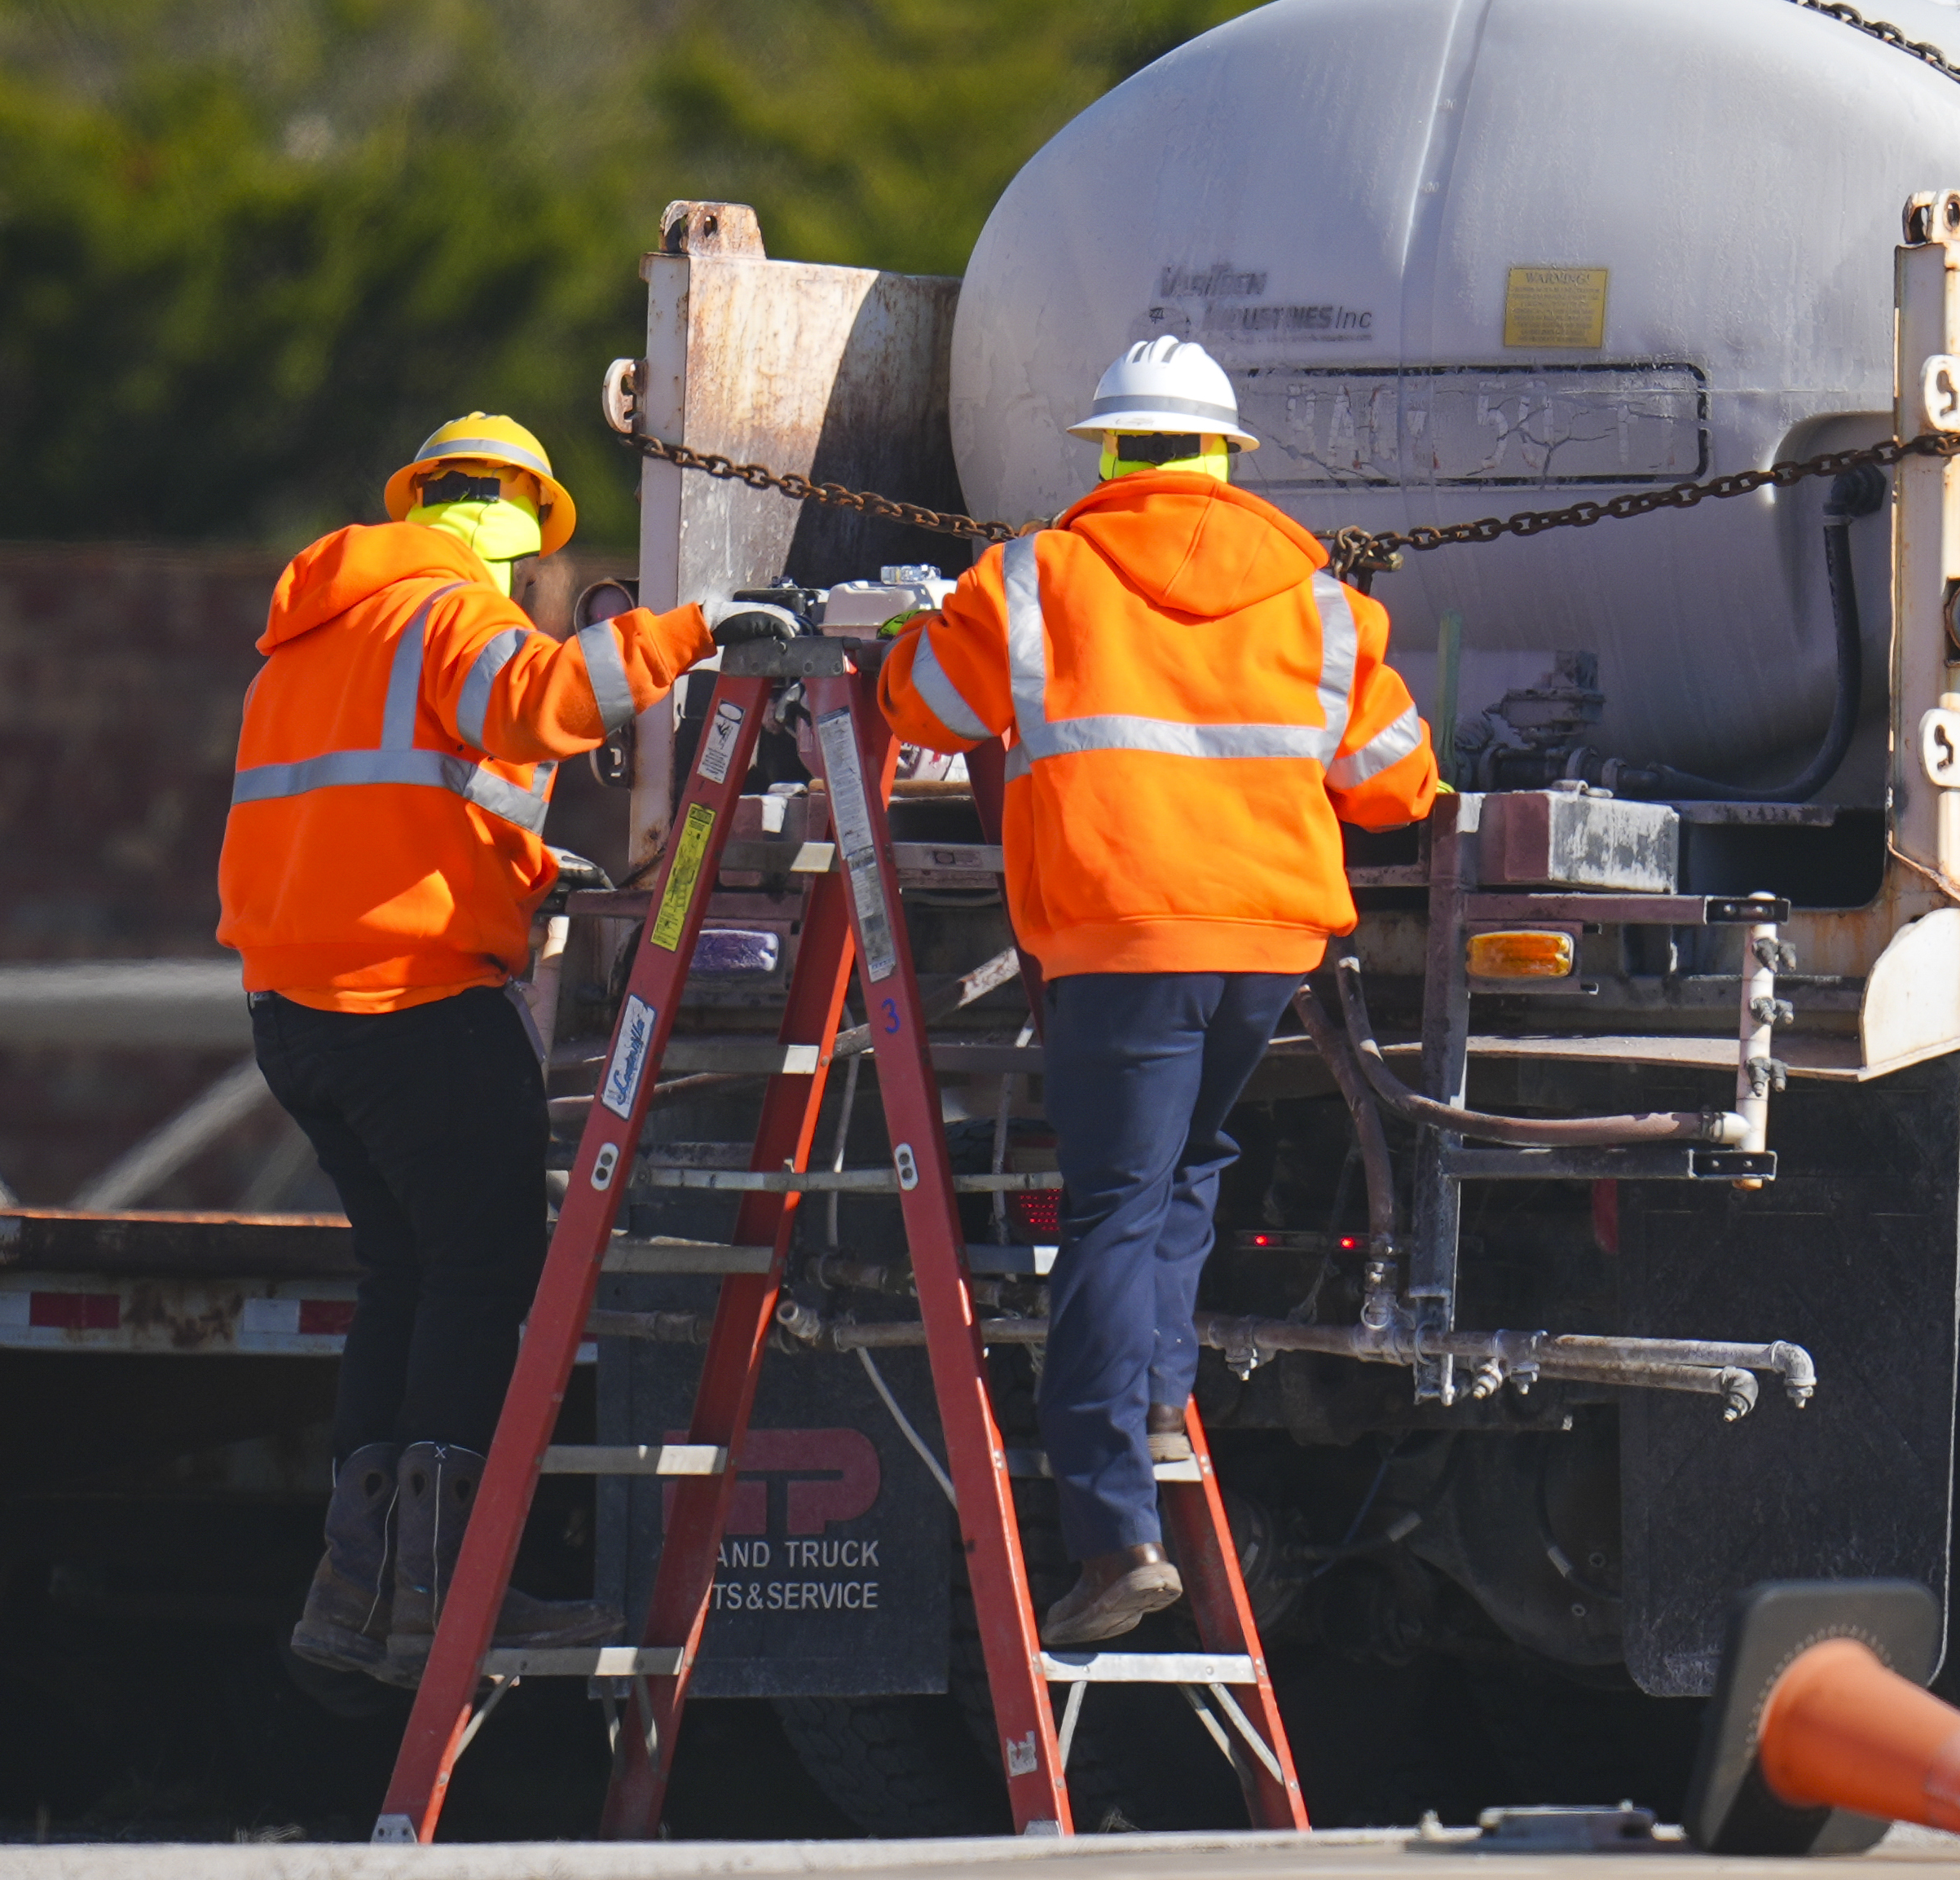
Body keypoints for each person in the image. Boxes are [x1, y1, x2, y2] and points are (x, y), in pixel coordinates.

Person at [878, 339, 1439, 1644]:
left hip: (1120, 937)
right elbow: (1399, 781)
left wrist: (913, 637)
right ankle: (1155, 1399)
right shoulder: (1316, 600)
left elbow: (923, 701)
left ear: (1109, 450)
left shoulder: (1036, 578)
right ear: (1225, 459)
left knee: (1115, 1206)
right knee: (1189, 1168)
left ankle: (1113, 1529)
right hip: (1262, 947)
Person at [218, 412, 795, 1684]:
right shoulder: (450, 612)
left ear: (420, 496)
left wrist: (524, 873)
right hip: (416, 1003)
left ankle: (354, 1584)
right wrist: (699, 628)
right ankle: (449, 1593)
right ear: (528, 525)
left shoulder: (309, 636)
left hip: (297, 1013)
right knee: (484, 1276)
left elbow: (389, 810)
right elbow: (540, 703)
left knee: (404, 1278)